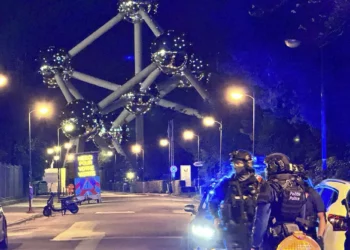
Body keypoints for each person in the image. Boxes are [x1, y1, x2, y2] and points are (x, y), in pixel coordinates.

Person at [251, 153, 307, 250]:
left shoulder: (269, 187)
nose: (266, 169)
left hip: (273, 239)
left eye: (268, 166)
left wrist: (255, 244)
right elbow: (302, 216)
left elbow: (262, 219)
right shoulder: (298, 185)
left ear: (274, 166)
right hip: (294, 238)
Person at [209, 149, 262, 250]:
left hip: (252, 230)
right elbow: (213, 201)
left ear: (247, 164)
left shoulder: (258, 183)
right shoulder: (226, 183)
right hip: (231, 230)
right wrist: (216, 217)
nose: (235, 166)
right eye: (234, 163)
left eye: (238, 163)